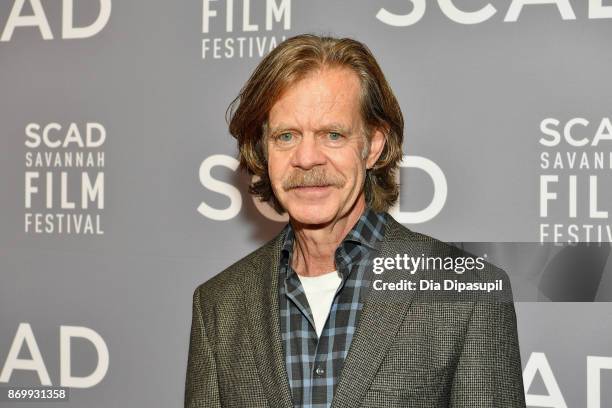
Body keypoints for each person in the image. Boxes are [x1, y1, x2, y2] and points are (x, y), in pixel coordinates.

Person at [185, 34, 526, 408]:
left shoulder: (468, 293)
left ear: (373, 145)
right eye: (286, 136)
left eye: (332, 134)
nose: (307, 158)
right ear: (265, 150)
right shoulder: (219, 304)